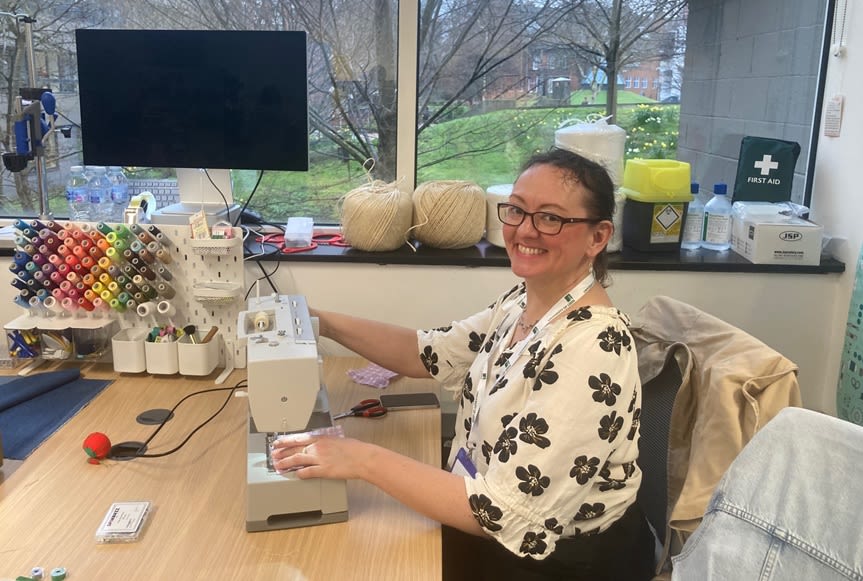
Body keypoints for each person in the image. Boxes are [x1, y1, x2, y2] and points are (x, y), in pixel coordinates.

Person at [271, 148, 655, 580]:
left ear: (597, 237)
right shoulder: (523, 304)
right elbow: (427, 352)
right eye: (518, 211)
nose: (525, 230)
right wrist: (319, 321)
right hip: (488, 517)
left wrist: (362, 460)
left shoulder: (593, 349)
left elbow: (503, 515)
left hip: (558, 562)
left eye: (551, 218)